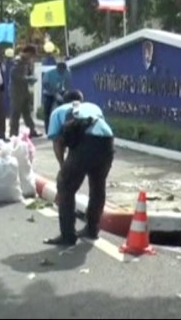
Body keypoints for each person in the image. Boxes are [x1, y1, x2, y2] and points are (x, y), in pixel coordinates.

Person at [44, 90, 114, 247]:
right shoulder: (93, 107)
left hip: (85, 144)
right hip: (107, 142)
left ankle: (68, 236)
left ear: (64, 101)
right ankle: (92, 229)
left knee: (65, 186)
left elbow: (58, 143)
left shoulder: (58, 112)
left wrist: (63, 167)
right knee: (97, 185)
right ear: (81, 100)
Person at [10, 45, 40, 138]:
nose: (32, 57)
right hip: (17, 92)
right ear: (27, 53)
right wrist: (26, 79)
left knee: (27, 113)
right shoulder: (17, 61)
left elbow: (29, 73)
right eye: (31, 55)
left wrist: (32, 78)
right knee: (16, 114)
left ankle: (32, 130)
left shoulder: (27, 62)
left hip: (25, 91)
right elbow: (14, 76)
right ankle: (13, 133)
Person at [42, 61, 71, 133]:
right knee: (47, 112)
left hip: (60, 91)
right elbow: (45, 85)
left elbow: (67, 83)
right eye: (61, 70)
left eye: (64, 70)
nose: (62, 72)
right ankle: (48, 130)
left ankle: (62, 129)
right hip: (48, 93)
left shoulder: (67, 72)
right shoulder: (49, 74)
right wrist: (55, 94)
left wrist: (66, 92)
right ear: (57, 69)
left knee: (64, 110)